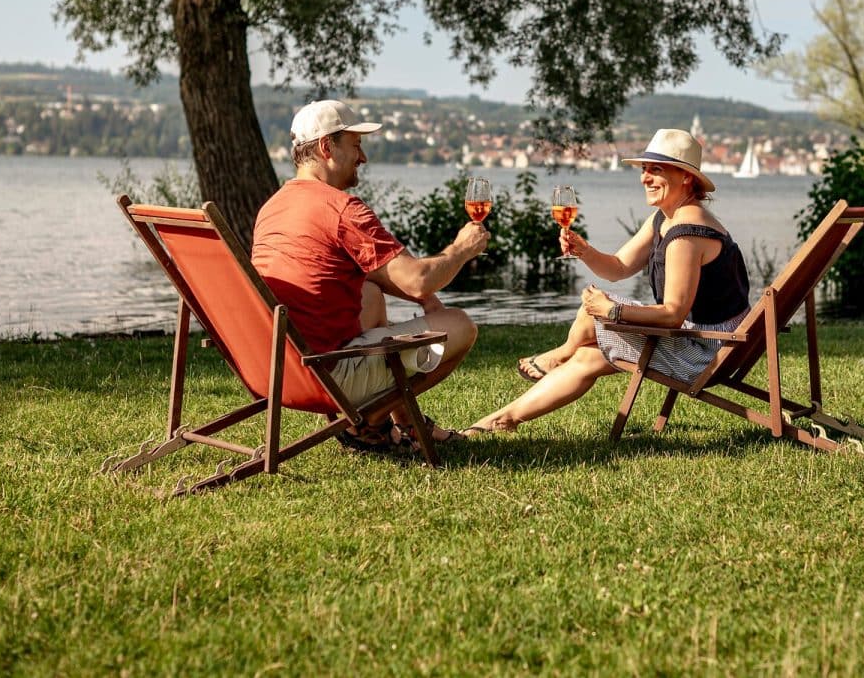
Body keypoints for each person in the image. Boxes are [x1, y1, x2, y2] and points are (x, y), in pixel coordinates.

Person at [465, 129, 750, 435]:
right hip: (705, 339)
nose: (645, 178)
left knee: (594, 311)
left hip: (707, 351)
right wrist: (585, 251)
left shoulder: (687, 233)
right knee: (588, 354)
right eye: (644, 170)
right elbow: (618, 267)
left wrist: (612, 310)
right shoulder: (665, 218)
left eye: (657, 170)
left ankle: (558, 356)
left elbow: (672, 314)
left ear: (686, 177)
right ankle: (502, 420)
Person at [251, 99, 489, 453]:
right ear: (326, 147)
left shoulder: (274, 207)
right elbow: (417, 278)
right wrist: (461, 249)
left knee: (370, 293)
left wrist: (422, 299)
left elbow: (382, 277)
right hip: (325, 375)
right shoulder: (342, 209)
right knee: (459, 326)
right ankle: (365, 423)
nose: (362, 158)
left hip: (274, 367)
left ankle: (407, 423)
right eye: (356, 146)